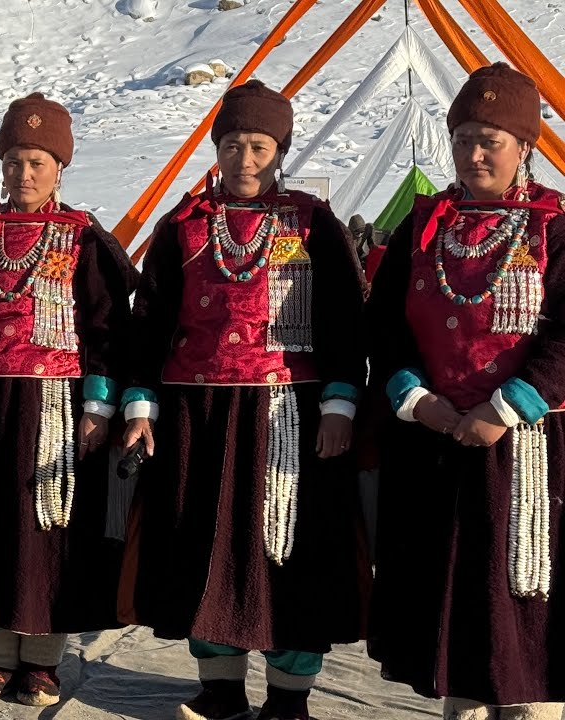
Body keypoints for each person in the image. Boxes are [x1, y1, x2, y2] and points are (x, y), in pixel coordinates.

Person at [118, 80, 370, 720]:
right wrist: (142, 405)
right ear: (217, 149)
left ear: (279, 149)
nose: (245, 159)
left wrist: (341, 405)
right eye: (232, 145)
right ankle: (221, 687)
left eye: (259, 145)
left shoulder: (312, 222)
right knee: (204, 545)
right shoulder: (184, 225)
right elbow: (149, 322)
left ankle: (289, 696)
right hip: (195, 413)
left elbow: (346, 322)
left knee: (287, 549)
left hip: (292, 414)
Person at [0, 92, 137, 707]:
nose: (24, 175)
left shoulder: (84, 239)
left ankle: (41, 660)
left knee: (48, 527)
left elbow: (106, 328)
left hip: (56, 410)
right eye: (14, 161)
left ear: (60, 168)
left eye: (37, 162)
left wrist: (97, 409)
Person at [366, 62, 565, 720]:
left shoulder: (555, 232)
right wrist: (417, 400)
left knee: (523, 606)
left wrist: (505, 408)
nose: (475, 154)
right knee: (453, 604)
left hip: (528, 450)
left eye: (491, 140)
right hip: (435, 445)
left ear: (525, 149)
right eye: (463, 139)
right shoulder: (424, 230)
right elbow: (385, 328)